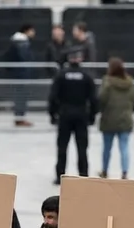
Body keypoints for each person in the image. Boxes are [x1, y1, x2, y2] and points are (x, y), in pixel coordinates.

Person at [48, 48, 97, 185]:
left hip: (65, 114)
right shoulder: (86, 76)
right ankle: (83, 174)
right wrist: (92, 116)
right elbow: (93, 99)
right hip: (81, 115)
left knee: (62, 146)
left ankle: (60, 175)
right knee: (82, 147)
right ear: (80, 59)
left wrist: (53, 114)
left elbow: (53, 97)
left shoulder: (61, 75)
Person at [98, 57, 134, 180]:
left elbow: (101, 98)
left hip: (109, 119)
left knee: (107, 148)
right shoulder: (129, 83)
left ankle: (105, 170)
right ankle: (125, 172)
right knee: (124, 147)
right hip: (125, 119)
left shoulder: (107, 81)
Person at [5, 25, 36, 128]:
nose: (34, 33)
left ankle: (20, 117)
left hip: (19, 73)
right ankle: (20, 118)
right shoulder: (21, 43)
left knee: (20, 96)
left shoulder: (17, 42)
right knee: (21, 96)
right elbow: (25, 58)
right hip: (21, 74)